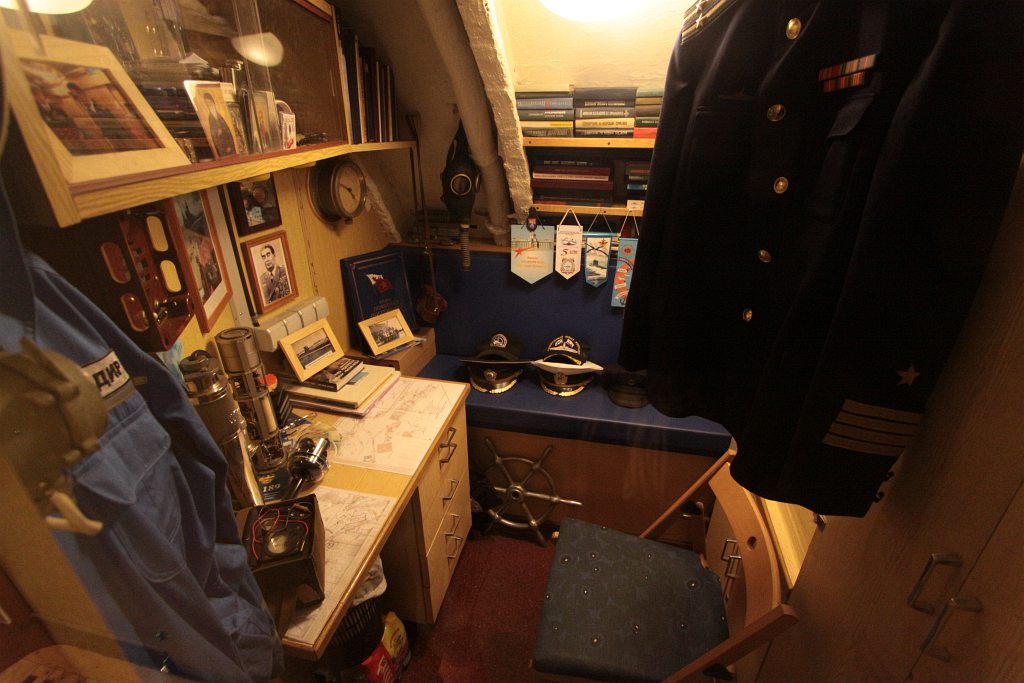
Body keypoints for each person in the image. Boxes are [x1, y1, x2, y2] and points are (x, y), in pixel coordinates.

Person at [201, 91, 237, 157]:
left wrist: (229, 145)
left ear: (213, 101)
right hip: (222, 148)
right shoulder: (210, 118)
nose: (209, 105)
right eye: (207, 103)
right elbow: (214, 136)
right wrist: (217, 132)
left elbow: (228, 132)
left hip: (229, 145)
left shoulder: (220, 115)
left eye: (209, 102)